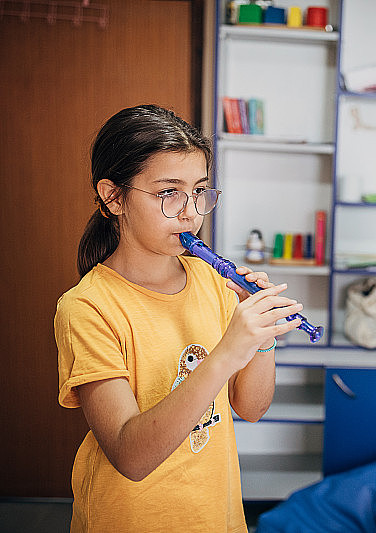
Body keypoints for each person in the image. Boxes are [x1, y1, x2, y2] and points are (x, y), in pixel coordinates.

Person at [54, 105, 303, 532]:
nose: (190, 213)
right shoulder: (87, 306)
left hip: (215, 517)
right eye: (169, 192)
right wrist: (227, 352)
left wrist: (262, 337)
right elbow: (131, 457)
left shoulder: (211, 281)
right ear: (114, 197)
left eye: (200, 192)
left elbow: (251, 407)